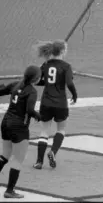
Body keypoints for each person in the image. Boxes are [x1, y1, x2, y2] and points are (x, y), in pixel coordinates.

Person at [0, 66, 41, 198]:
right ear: (36, 79)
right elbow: (29, 110)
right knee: (18, 159)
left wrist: (1, 85)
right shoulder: (32, 91)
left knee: (5, 154)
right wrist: (38, 116)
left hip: (5, 123)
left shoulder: (15, 84)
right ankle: (9, 191)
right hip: (19, 127)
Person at [32, 40, 77, 170]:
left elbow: (38, 81)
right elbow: (69, 83)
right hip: (61, 103)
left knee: (44, 131)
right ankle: (53, 152)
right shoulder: (66, 66)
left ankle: (39, 162)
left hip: (46, 102)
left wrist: (46, 82)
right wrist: (75, 95)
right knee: (61, 130)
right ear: (62, 51)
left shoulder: (45, 65)